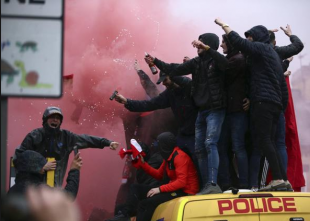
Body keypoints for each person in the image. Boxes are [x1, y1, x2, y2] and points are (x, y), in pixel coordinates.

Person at [145, 33, 227, 194]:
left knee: (210, 144)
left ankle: (213, 184)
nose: (197, 46)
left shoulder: (217, 62)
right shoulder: (196, 63)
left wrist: (207, 49)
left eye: (201, 43)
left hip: (215, 110)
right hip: (203, 111)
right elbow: (174, 69)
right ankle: (206, 186)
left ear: (209, 45)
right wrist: (156, 61)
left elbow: (224, 63)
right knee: (200, 149)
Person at [214, 18, 289, 191]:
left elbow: (239, 42)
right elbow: (282, 86)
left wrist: (224, 25)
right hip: (273, 105)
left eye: (251, 37)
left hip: (263, 103)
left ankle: (277, 179)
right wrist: (281, 108)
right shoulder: (273, 55)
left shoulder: (261, 49)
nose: (248, 41)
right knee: (269, 142)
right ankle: (283, 180)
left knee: (264, 142)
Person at [194, 34, 249, 190]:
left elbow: (242, 77)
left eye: (224, 42)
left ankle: (244, 184)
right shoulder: (226, 59)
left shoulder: (237, 59)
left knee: (237, 147)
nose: (222, 44)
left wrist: (249, 97)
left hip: (236, 109)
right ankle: (226, 183)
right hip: (226, 108)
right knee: (221, 147)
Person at [14, 106, 119, 187]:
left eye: (58, 118)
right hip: (31, 188)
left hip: (54, 188)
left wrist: (107, 142)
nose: (55, 120)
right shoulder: (34, 135)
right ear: (45, 119)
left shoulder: (67, 137)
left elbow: (86, 139)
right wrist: (39, 166)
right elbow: (19, 157)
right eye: (52, 117)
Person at [108, 132, 199, 221]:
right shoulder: (168, 157)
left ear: (164, 145)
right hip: (174, 189)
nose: (157, 147)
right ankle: (124, 215)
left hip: (185, 192)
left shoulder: (180, 157)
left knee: (145, 204)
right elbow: (159, 175)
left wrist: (159, 189)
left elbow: (181, 182)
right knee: (135, 188)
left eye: (159, 144)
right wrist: (143, 164)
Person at [114, 66, 198, 157]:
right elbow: (150, 102)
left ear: (173, 77)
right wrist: (127, 102)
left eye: (165, 80)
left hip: (197, 134)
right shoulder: (169, 94)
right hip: (180, 137)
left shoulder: (190, 87)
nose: (164, 84)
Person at [109, 142, 164, 221]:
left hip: (155, 190)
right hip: (145, 193)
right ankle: (123, 215)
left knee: (134, 188)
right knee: (119, 208)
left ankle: (125, 214)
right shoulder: (139, 168)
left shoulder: (157, 157)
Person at [8, 150, 82, 199]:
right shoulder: (39, 190)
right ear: (38, 170)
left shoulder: (11, 192)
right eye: (42, 167)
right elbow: (68, 196)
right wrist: (74, 170)